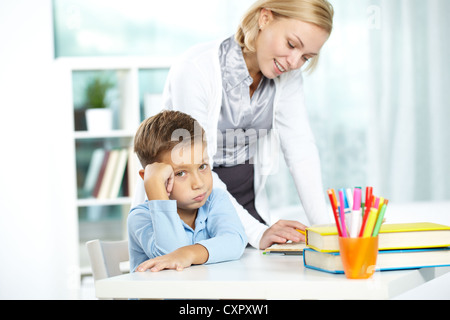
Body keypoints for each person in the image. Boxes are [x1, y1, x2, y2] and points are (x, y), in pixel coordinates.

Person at [133, 0, 334, 250]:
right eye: (291, 44)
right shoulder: (195, 68)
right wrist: (257, 232)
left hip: (245, 207)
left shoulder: (288, 76)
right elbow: (194, 162)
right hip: (189, 207)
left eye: (305, 57)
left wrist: (327, 233)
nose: (294, 62)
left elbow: (300, 150)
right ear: (265, 18)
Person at [128, 110, 247, 272]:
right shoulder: (140, 217)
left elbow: (235, 241)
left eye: (202, 166)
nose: (198, 183)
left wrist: (189, 253)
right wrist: (154, 184)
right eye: (180, 173)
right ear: (148, 177)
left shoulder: (214, 200)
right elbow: (171, 257)